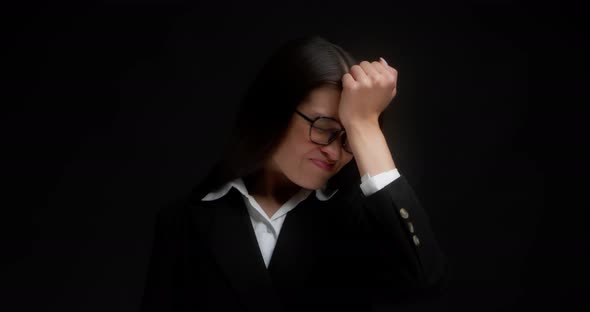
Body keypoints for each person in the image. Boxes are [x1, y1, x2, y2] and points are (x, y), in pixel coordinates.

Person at [139, 35, 449, 312]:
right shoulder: (184, 221)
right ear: (274, 112)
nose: (334, 151)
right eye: (324, 129)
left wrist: (365, 124)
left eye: (348, 138)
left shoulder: (357, 217)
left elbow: (423, 282)